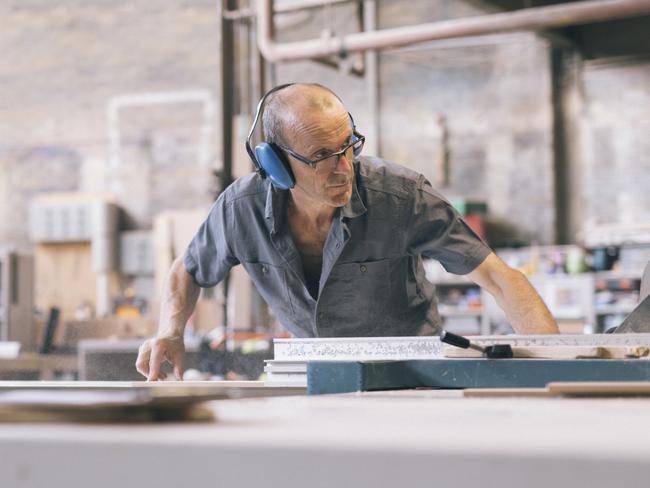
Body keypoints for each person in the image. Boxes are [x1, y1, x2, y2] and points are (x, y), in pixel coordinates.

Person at [136, 83, 559, 381]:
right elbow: (187, 269)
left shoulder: (400, 196)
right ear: (275, 165)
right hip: (318, 371)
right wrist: (169, 331)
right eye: (322, 155)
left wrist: (558, 362)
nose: (344, 168)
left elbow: (498, 277)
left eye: (348, 145)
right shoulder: (239, 209)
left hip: (413, 375)